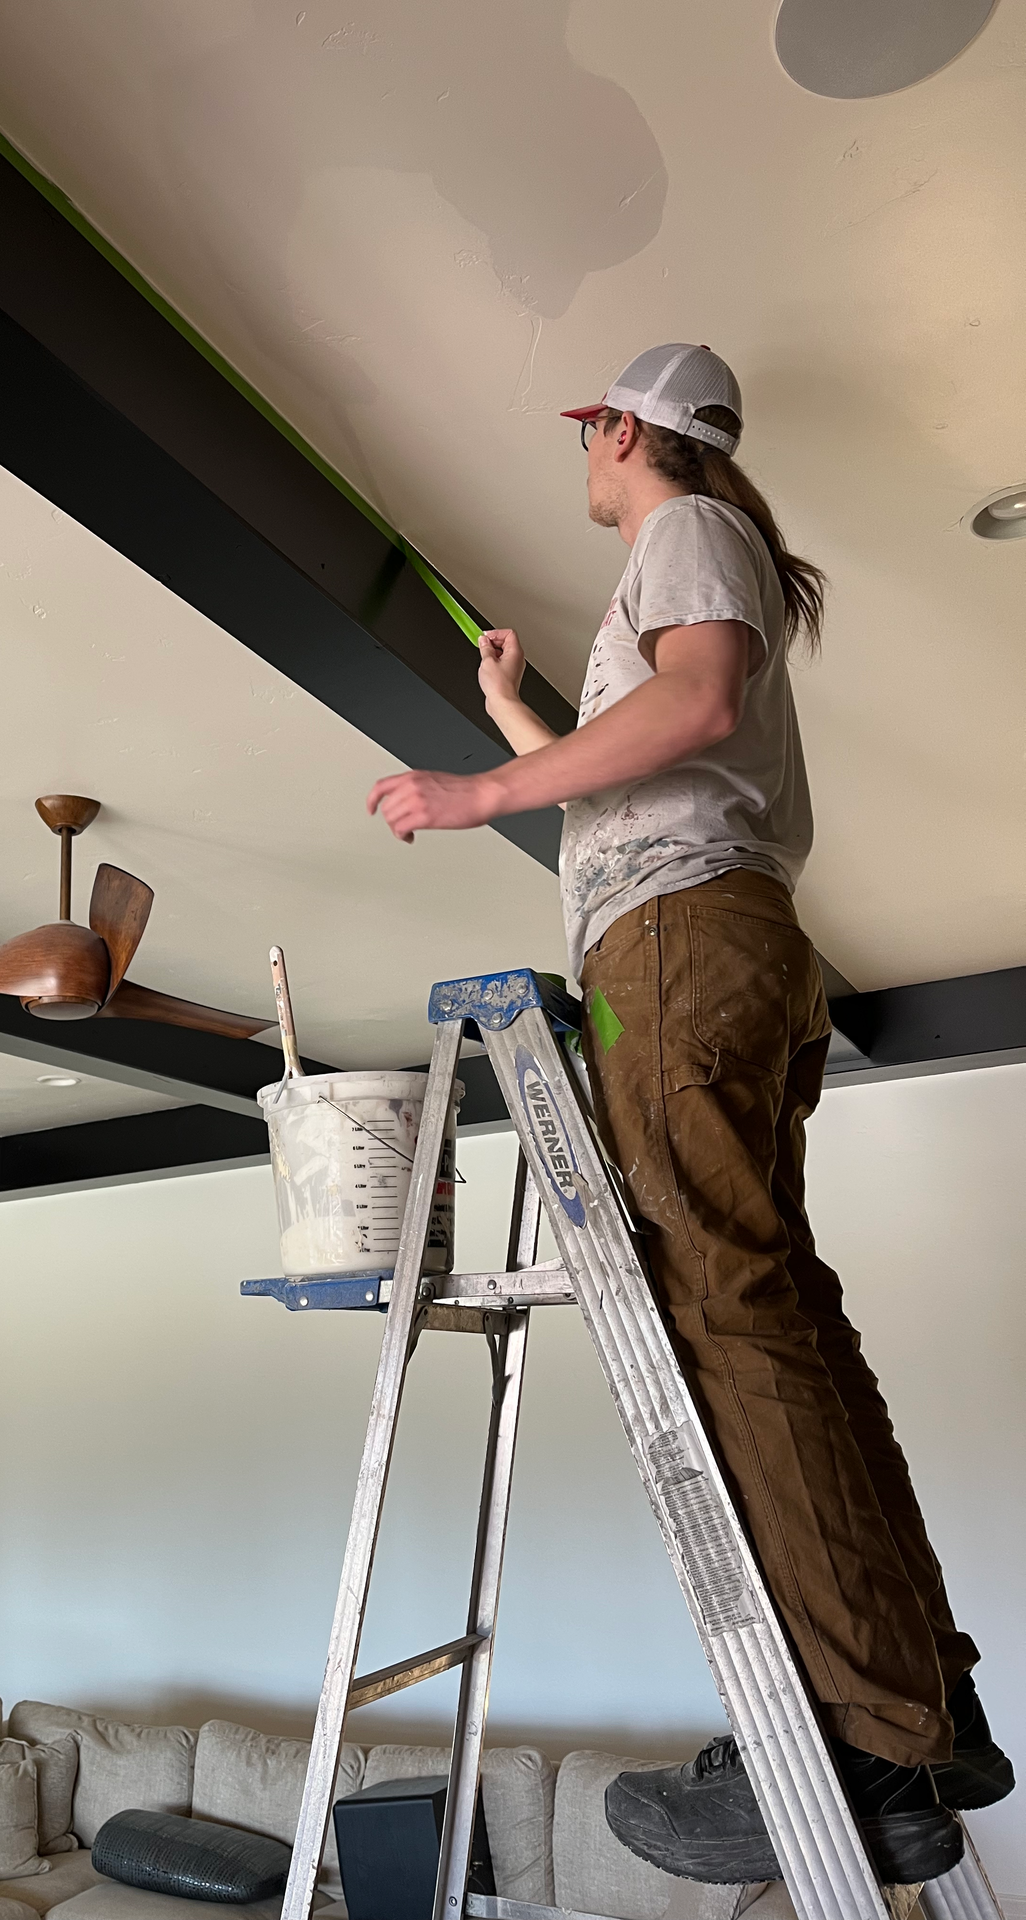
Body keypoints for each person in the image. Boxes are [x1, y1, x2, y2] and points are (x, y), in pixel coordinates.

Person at [366, 344, 1013, 1886]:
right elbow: (634, 777)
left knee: (732, 1317)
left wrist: (474, 792)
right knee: (777, 1317)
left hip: (680, 950)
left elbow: (700, 702)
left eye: (587, 431)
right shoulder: (687, 560)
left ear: (619, 430)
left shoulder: (683, 528)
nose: (579, 458)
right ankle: (924, 1713)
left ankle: (869, 1728)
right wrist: (519, 718)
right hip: (709, 940)